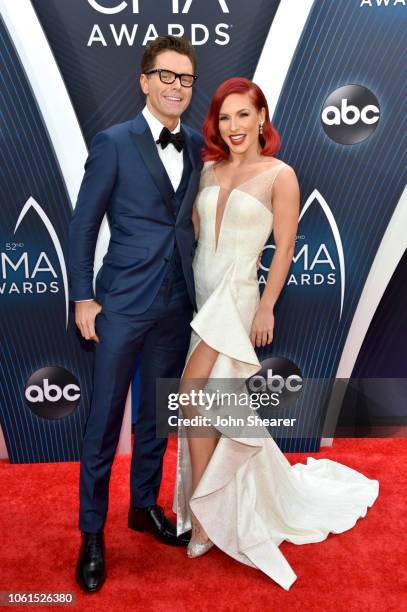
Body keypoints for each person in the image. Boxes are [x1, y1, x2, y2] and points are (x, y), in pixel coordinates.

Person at [174, 77, 379, 590]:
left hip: (238, 298)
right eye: (225, 118)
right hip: (204, 297)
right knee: (211, 408)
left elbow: (283, 248)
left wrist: (266, 305)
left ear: (262, 117)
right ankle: (211, 508)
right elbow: (196, 241)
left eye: (244, 115)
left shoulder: (280, 175)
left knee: (190, 397)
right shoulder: (205, 170)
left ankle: (202, 516)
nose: (234, 127)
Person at [68, 35, 203, 593]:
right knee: (102, 423)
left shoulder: (197, 143)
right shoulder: (113, 142)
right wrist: (83, 297)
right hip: (120, 304)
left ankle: (142, 506)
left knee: (155, 419)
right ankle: (92, 533)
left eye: (186, 79)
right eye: (166, 76)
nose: (176, 87)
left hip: (176, 304)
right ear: (144, 80)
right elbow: (82, 225)